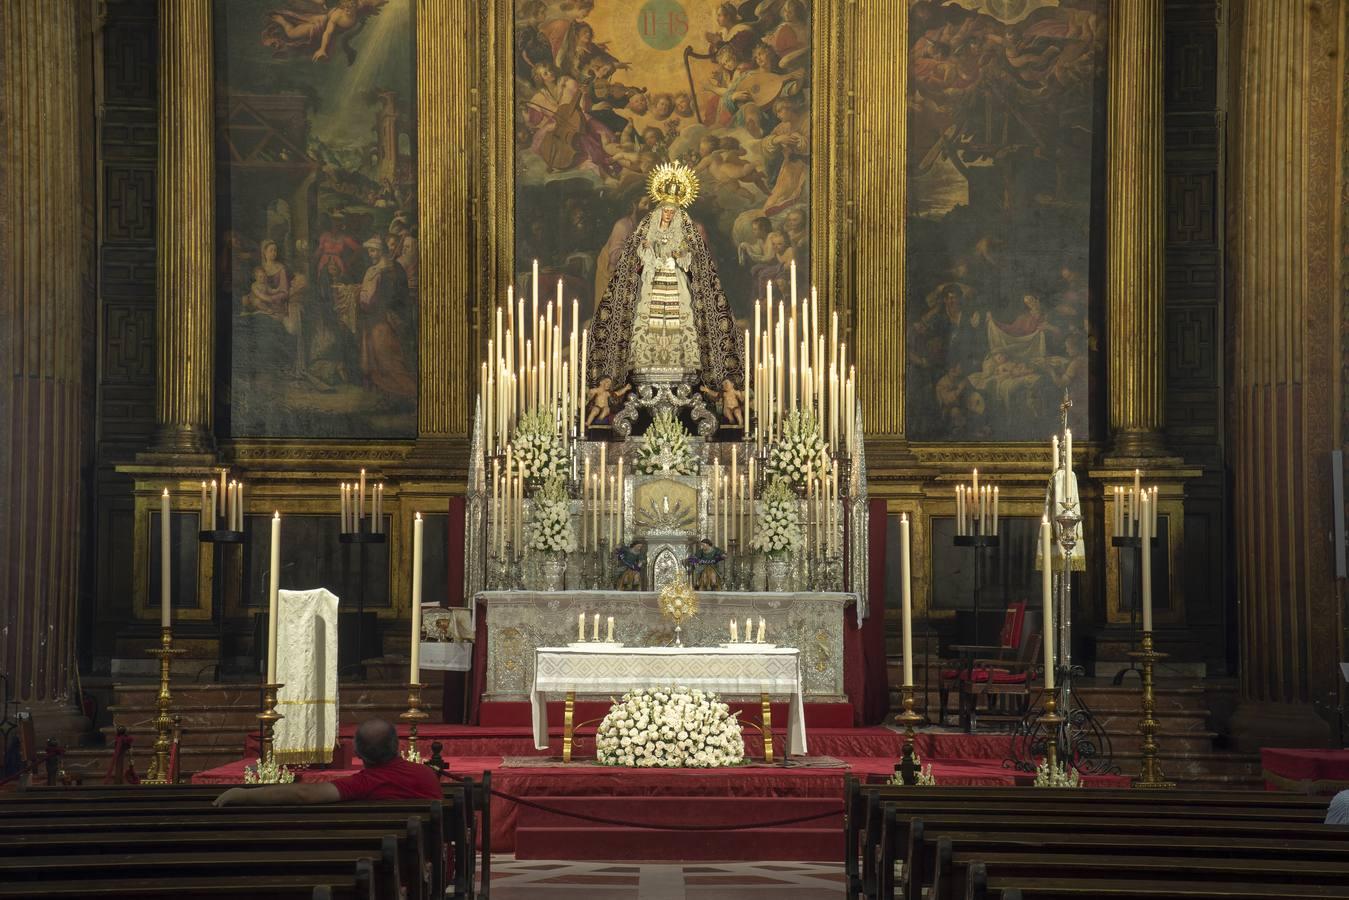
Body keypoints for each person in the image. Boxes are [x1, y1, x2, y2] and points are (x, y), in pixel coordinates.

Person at [212, 719, 439, 807]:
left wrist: (244, 794)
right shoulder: (426, 775)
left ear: (358, 753)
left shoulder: (362, 784)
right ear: (397, 745)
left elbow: (303, 795)